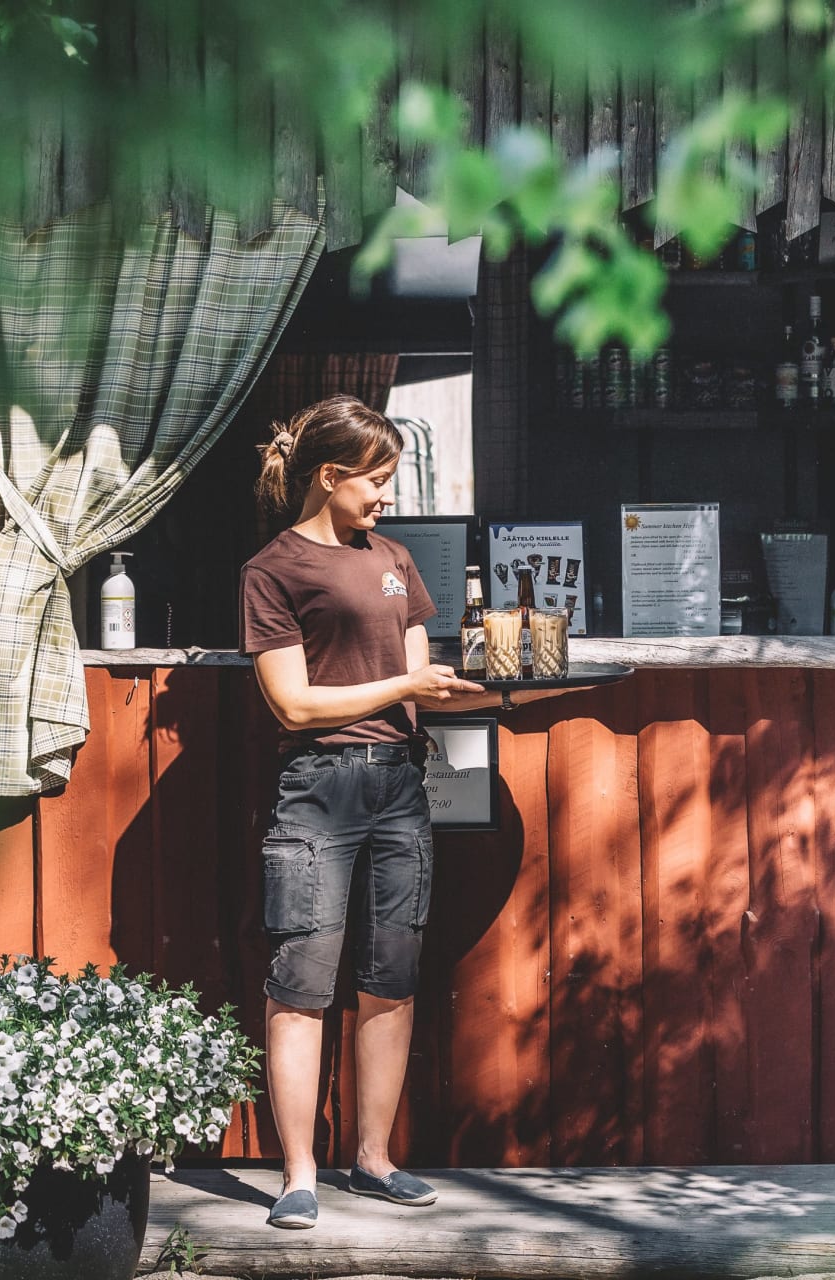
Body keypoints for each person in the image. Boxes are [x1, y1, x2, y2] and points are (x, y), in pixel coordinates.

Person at [238, 395, 556, 1230]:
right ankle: (299, 1174)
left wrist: (506, 695)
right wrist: (410, 688)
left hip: (399, 789)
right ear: (330, 476)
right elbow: (294, 705)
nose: (386, 496)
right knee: (301, 984)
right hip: (318, 785)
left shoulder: (396, 560)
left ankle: (373, 1160)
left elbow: (424, 687)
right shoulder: (272, 569)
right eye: (375, 480)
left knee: (392, 979)